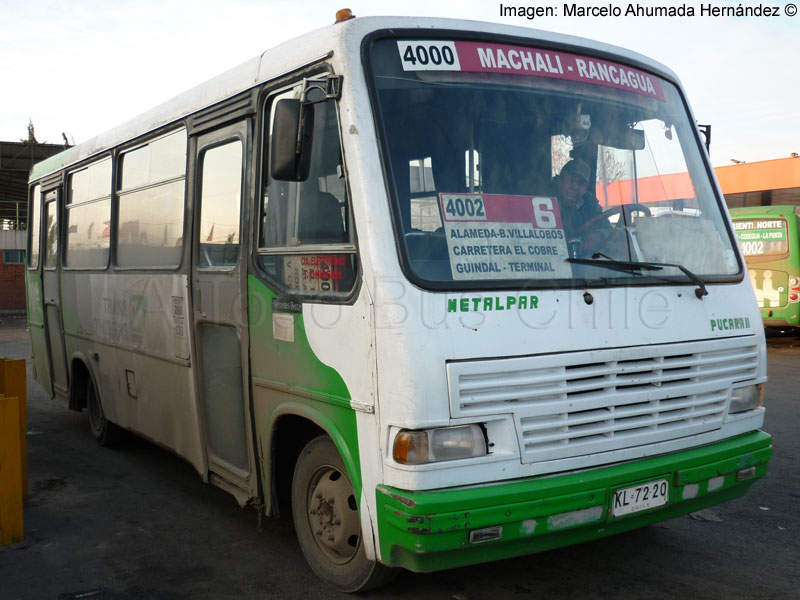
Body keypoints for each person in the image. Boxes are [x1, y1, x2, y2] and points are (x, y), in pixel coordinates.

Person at [551, 158, 621, 258]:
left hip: (582, 262)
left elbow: (607, 227)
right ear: (559, 181)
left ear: (586, 187)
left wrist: (599, 234)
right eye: (571, 181)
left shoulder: (589, 202)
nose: (575, 187)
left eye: (580, 183)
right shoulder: (544, 198)